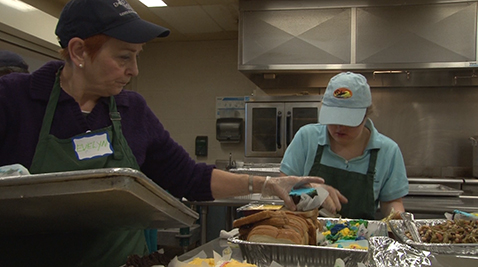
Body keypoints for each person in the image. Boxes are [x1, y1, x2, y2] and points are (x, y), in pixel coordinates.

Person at [0, 0, 325, 266]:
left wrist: (271, 185)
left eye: (137, 56)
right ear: (79, 52)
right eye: (124, 56)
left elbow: (189, 177)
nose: (134, 70)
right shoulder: (13, 100)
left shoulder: (131, 111)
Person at [280, 71, 409, 220]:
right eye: (333, 118)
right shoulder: (307, 138)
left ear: (366, 115)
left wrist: (398, 218)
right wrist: (311, 189)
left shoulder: (388, 151)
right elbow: (283, 185)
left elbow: (391, 202)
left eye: (348, 120)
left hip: (359, 240)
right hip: (307, 234)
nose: (339, 127)